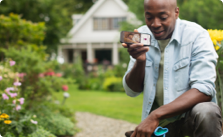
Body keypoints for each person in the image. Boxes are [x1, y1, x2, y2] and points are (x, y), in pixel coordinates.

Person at [122, 0, 222, 137]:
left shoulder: (197, 36)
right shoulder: (140, 36)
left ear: (176, 13)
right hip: (161, 125)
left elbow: (204, 89)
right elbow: (131, 90)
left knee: (207, 110)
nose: (155, 24)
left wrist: (155, 115)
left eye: (163, 17)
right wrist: (140, 61)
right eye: (149, 17)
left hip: (189, 118)